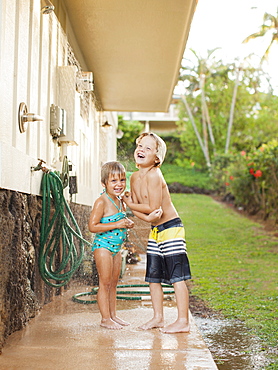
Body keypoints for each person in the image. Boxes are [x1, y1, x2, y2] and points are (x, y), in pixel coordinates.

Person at [123, 132, 191, 334]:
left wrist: (132, 205)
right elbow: (140, 209)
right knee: (153, 277)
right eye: (140, 146)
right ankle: (158, 318)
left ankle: (182, 321)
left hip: (171, 228)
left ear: (157, 158)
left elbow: (151, 206)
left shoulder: (154, 175)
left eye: (148, 148)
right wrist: (143, 215)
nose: (141, 150)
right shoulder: (134, 177)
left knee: (177, 277)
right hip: (155, 230)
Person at [88, 161, 135, 330]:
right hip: (103, 247)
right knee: (105, 283)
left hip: (116, 249)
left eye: (122, 180)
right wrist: (118, 225)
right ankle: (105, 318)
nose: (119, 185)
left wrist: (127, 222)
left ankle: (113, 315)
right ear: (104, 183)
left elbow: (119, 220)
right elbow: (92, 226)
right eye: (113, 181)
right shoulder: (102, 202)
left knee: (114, 283)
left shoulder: (119, 201)